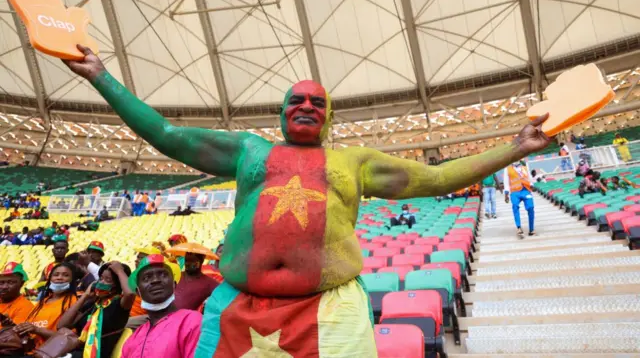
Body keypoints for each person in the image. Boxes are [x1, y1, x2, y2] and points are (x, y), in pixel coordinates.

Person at [64, 45, 552, 356]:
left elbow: (439, 177)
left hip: (330, 311)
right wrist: (100, 76)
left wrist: (517, 147)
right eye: (295, 101)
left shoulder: (354, 162)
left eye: (317, 102)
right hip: (237, 307)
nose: (305, 106)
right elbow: (166, 133)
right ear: (280, 115)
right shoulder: (248, 150)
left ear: (329, 118)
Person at [121, 255, 201, 358]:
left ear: (174, 285)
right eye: (146, 278)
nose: (155, 280)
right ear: (138, 292)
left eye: (163, 274)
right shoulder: (133, 340)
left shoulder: (192, 322)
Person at [58, 262, 134, 358]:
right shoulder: (92, 305)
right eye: (101, 278)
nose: (101, 282)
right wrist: (84, 296)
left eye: (108, 280)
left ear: (118, 285)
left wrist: (119, 271)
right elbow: (62, 325)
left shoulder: (119, 305)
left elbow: (130, 294)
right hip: (74, 351)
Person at [16, 262, 78, 347]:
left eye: (65, 275)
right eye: (56, 275)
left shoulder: (74, 302)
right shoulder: (42, 302)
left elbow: (68, 338)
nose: (59, 278)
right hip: (31, 350)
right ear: (50, 279)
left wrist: (37, 330)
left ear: (72, 280)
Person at [168, 243, 220, 311]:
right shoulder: (177, 275)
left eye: (192, 261)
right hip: (165, 315)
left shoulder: (209, 283)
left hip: (185, 319)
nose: (188, 264)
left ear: (201, 261)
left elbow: (224, 296)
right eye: (187, 260)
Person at [504, 161, 536, 238]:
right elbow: (506, 182)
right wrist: (506, 193)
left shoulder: (525, 167)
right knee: (515, 206)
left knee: (531, 207)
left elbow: (529, 178)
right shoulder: (507, 169)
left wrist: (532, 185)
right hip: (515, 192)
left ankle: (531, 229)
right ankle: (519, 228)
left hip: (525, 190)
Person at [0, 262, 33, 328]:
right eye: (1, 283)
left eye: (10, 282)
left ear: (21, 284)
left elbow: (14, 335)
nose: (4, 287)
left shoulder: (26, 306)